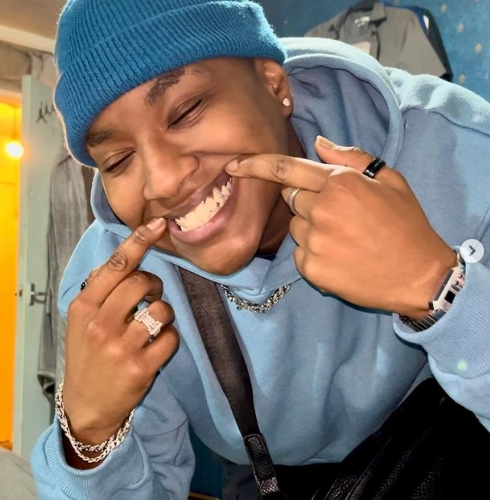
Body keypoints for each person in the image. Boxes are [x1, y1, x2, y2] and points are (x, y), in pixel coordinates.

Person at [31, 0, 490, 498]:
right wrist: (88, 434)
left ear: (274, 84)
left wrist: (437, 288)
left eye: (186, 111)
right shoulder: (113, 292)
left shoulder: (459, 149)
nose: (162, 181)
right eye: (119, 159)